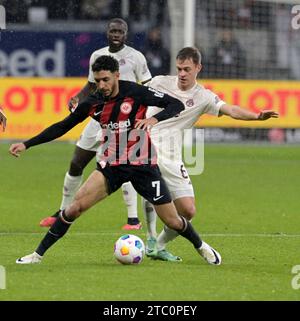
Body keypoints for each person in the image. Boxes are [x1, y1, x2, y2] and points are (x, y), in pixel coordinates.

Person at [9, 55, 221, 266]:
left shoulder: (135, 92)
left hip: (143, 166)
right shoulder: (92, 102)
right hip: (112, 167)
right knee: (74, 208)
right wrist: (27, 144)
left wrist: (153, 119)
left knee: (173, 220)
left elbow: (175, 104)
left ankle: (202, 247)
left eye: (106, 80)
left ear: (117, 76)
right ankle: (36, 256)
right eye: (98, 80)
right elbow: (62, 127)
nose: (102, 85)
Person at [142, 47, 279, 261]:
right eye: (179, 69)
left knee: (187, 210)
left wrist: (256, 117)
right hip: (147, 145)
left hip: (172, 154)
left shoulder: (203, 97)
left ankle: (158, 246)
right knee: (153, 186)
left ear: (198, 68)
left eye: (187, 69)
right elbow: (131, 97)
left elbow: (231, 110)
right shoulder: (159, 82)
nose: (182, 74)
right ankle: (150, 236)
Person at [39, 18, 152, 230]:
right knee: (76, 162)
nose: (116, 34)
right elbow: (91, 86)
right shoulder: (97, 56)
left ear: (126, 34)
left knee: (123, 166)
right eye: (113, 31)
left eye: (120, 31)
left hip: (124, 120)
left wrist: (144, 115)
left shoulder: (136, 58)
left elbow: (148, 87)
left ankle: (133, 219)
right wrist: (77, 97)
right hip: (99, 115)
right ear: (107, 33)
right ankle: (61, 212)